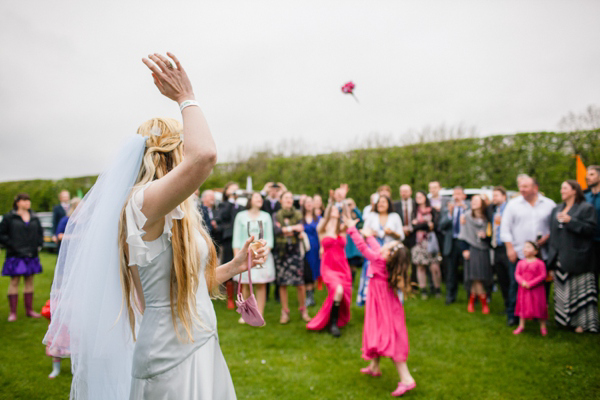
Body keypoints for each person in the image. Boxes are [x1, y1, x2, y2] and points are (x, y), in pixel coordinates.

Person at [44, 53, 268, 399]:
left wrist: (236, 266)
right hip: (168, 355)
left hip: (202, 340)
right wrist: (185, 97)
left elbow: (188, 288)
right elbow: (205, 155)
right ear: (172, 154)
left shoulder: (177, 213)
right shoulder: (140, 205)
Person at [344, 218, 416, 397]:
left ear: (389, 254)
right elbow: (376, 247)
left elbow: (363, 249)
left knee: (386, 336)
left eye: (390, 246)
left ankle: (407, 380)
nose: (386, 245)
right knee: (377, 331)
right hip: (384, 304)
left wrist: (352, 229)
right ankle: (374, 366)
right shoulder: (384, 258)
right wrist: (369, 236)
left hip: (382, 305)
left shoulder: (379, 259)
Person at [500, 174, 555, 326]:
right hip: (519, 253)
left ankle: (540, 315)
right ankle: (514, 315)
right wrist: (510, 249)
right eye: (521, 187)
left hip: (541, 254)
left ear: (535, 188)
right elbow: (505, 228)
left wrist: (547, 236)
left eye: (525, 187)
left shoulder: (549, 204)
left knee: (541, 286)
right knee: (515, 285)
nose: (522, 189)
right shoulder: (513, 204)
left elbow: (555, 228)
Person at [548, 180, 598, 333]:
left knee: (580, 291)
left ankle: (584, 324)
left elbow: (591, 230)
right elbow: (554, 234)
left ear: (574, 191)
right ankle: (564, 321)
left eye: (565, 188)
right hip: (560, 256)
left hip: (579, 257)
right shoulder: (557, 209)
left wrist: (572, 221)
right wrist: (552, 258)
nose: (561, 191)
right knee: (563, 291)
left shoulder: (586, 208)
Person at [306, 190, 353, 337]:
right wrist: (331, 202)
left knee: (339, 293)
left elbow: (348, 216)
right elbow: (326, 216)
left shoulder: (342, 229)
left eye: (335, 210)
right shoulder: (323, 228)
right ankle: (333, 324)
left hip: (343, 267)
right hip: (328, 267)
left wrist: (343, 200)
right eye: (331, 209)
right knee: (337, 290)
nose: (334, 211)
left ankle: (334, 319)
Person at [232, 192, 275, 323]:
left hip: (262, 254)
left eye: (261, 198)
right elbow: (236, 237)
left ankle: (259, 313)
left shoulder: (266, 216)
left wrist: (264, 253)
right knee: (245, 284)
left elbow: (270, 238)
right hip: (245, 255)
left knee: (261, 285)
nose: (260, 199)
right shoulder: (241, 216)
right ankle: (246, 314)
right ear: (250, 200)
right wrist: (236, 257)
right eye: (257, 197)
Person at [0, 193, 44, 321]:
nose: (27, 202)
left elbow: (40, 233)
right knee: (14, 281)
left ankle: (29, 310)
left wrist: (38, 244)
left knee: (29, 281)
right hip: (15, 255)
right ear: (17, 202)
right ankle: (12, 312)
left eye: (28, 200)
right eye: (24, 200)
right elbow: (1, 234)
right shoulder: (9, 217)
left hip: (31, 254)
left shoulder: (34, 217)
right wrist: (12, 245)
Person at [273, 191, 311, 324]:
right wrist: (292, 229)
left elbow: (300, 228)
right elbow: (276, 231)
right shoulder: (276, 215)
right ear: (281, 201)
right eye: (286, 198)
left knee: (300, 284)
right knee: (282, 284)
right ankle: (285, 312)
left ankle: (303, 310)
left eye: (290, 198)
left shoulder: (298, 214)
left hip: (295, 252)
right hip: (282, 253)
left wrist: (285, 229)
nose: (289, 200)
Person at [459, 195, 492, 314]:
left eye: (476, 201)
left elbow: (491, 235)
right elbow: (462, 234)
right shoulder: (466, 216)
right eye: (472, 201)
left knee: (481, 276)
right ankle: (483, 303)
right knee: (475, 277)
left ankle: (472, 301)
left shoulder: (487, 218)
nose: (473, 203)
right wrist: (464, 249)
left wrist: (486, 236)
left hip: (484, 250)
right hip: (471, 249)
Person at [439, 186, 470, 305]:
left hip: (464, 242)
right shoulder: (447, 209)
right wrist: (450, 214)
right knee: (451, 271)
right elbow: (441, 226)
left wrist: (465, 209)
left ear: (464, 196)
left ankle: (471, 297)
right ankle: (450, 296)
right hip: (451, 243)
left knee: (467, 271)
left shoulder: (468, 207)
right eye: (454, 194)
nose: (456, 197)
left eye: (459, 194)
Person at [215, 181, 242, 309]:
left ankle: (241, 295)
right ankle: (230, 298)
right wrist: (230, 200)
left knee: (241, 266)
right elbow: (221, 217)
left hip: (241, 239)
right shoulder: (224, 204)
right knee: (229, 265)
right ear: (227, 192)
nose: (235, 191)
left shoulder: (241, 205)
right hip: (229, 239)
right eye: (233, 189)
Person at [513, 241, 548, 336]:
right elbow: (517, 274)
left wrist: (531, 283)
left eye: (528, 247)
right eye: (524, 247)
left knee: (539, 306)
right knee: (523, 306)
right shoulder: (520, 262)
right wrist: (522, 282)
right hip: (523, 290)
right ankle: (521, 325)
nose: (525, 249)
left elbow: (543, 275)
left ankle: (543, 326)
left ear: (535, 251)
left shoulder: (540, 263)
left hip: (537, 290)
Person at [411, 191, 442, 299]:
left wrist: (419, 224)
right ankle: (423, 290)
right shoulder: (414, 211)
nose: (419, 198)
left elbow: (435, 225)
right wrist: (425, 224)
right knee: (420, 266)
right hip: (419, 243)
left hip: (430, 241)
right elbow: (413, 228)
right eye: (417, 197)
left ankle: (437, 288)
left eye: (421, 196)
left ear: (425, 198)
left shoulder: (432, 210)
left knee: (434, 266)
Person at [486, 186, 511, 312]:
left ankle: (514, 306)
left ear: (504, 196)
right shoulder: (492, 209)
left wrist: (505, 221)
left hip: (508, 247)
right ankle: (508, 305)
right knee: (502, 278)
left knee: (510, 277)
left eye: (496, 195)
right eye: (493, 195)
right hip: (496, 247)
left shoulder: (510, 209)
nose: (493, 198)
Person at [302, 196, 321, 307]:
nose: (309, 204)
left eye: (311, 202)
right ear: (304, 205)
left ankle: (311, 296)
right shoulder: (301, 218)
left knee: (314, 270)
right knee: (306, 271)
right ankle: (306, 296)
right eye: (307, 202)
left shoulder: (318, 218)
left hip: (315, 247)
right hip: (304, 248)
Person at [584, 165, 600, 291]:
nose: (587, 177)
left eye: (591, 174)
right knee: (591, 281)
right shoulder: (585, 197)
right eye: (587, 174)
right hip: (588, 244)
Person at [344, 198, 364, 282]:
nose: (349, 206)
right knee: (346, 264)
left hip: (354, 244)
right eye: (347, 205)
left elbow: (361, 221)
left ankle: (351, 281)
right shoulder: (343, 215)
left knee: (353, 264)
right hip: (346, 244)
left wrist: (354, 208)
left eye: (350, 204)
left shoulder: (356, 215)